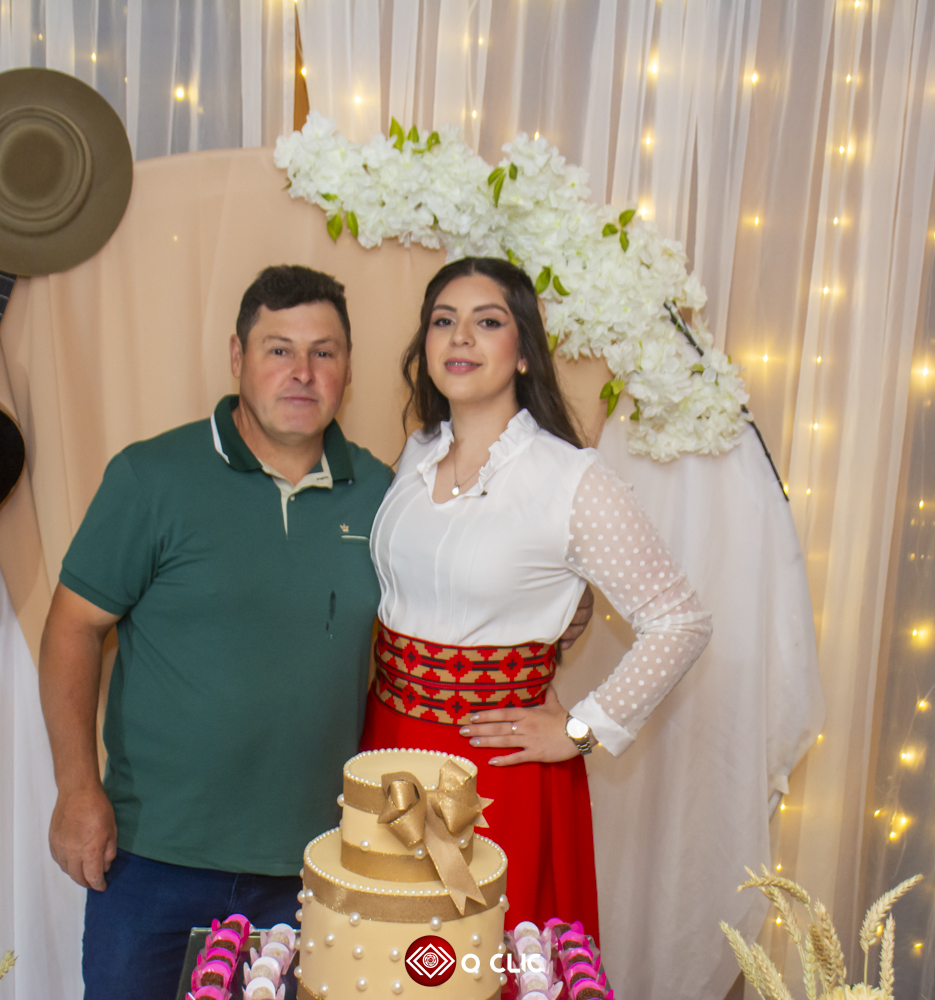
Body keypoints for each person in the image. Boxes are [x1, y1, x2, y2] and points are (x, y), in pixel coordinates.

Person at [39, 264, 592, 1000]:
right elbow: (72, 627)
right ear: (237, 357)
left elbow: (475, 577)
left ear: (348, 370)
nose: (301, 372)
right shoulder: (152, 478)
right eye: (279, 350)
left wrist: (565, 638)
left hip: (323, 867)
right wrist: (77, 788)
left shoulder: (387, 496)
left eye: (323, 352)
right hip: (157, 855)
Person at [361, 256, 713, 934]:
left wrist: (582, 730)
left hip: (495, 770)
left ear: (523, 352)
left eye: (487, 322)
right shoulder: (417, 452)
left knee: (481, 958)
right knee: (382, 956)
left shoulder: (571, 478)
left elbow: (679, 621)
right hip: (388, 746)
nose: (461, 337)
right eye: (443, 321)